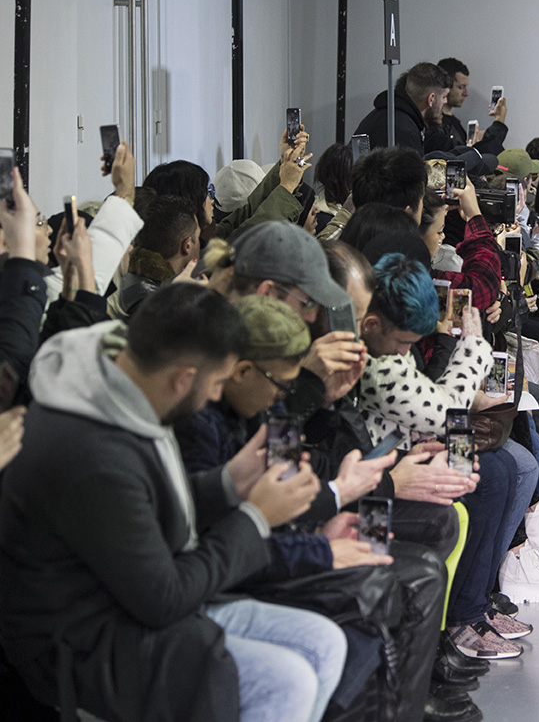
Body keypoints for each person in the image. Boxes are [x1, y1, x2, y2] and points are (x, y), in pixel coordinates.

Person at [0, 283, 345, 722]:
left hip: (123, 604)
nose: (216, 396)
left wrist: (228, 484)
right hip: (81, 646)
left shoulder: (121, 387)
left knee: (323, 643)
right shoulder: (94, 457)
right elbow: (162, 598)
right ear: (183, 379)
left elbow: (141, 517)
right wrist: (256, 518)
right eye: (215, 383)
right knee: (286, 680)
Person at [354, 62, 452, 152]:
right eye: (444, 97)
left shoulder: (387, 116)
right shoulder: (404, 132)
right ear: (431, 99)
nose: (445, 101)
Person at [426, 57, 509, 155]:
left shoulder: (454, 124)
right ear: (446, 86)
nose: (466, 93)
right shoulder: (434, 127)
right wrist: (499, 121)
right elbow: (467, 154)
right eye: (461, 87)